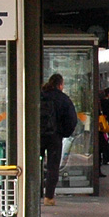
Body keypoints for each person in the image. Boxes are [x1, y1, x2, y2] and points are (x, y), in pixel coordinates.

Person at [40, 73, 79, 206]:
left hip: (37, 136)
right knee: (53, 167)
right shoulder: (63, 99)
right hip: (55, 137)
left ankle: (31, 192)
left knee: (32, 164)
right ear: (60, 85)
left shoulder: (39, 95)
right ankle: (49, 197)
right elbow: (72, 119)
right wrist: (64, 133)